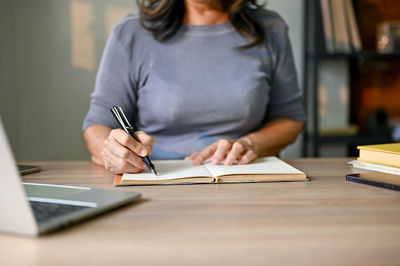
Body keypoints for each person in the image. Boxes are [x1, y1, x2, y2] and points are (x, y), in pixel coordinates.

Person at [82, 0, 306, 174]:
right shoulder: (131, 32)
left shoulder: (270, 29)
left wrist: (251, 144)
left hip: (244, 177)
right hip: (156, 179)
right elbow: (98, 126)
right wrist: (113, 152)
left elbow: (290, 118)